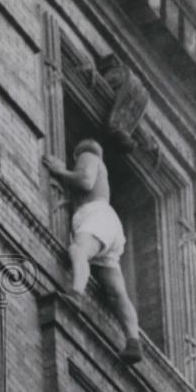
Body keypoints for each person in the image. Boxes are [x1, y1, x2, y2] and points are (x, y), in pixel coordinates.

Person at [43, 139, 142, 365]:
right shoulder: (102, 174)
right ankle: (133, 341)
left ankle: (76, 294)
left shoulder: (88, 157)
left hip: (96, 216)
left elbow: (86, 181)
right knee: (117, 292)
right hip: (108, 225)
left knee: (78, 250)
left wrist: (61, 171)